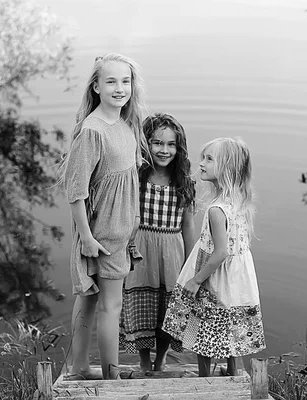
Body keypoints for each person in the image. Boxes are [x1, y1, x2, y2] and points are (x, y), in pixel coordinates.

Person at [57, 53, 148, 380]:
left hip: (119, 233)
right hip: (103, 236)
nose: (119, 88)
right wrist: (87, 238)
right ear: (96, 86)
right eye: (110, 81)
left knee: (91, 301)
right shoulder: (93, 131)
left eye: (125, 81)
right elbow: (76, 190)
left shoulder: (123, 124)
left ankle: (80, 367)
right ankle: (113, 379)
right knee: (112, 307)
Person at [162, 137, 266, 377]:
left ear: (227, 169)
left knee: (204, 326)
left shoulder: (216, 210)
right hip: (237, 281)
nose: (201, 164)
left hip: (214, 277)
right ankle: (232, 372)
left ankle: (204, 378)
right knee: (230, 325)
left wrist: (196, 279)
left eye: (209, 159)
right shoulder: (240, 201)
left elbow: (220, 252)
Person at [119, 113, 196, 372]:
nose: (164, 150)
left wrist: (190, 263)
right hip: (141, 251)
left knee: (167, 309)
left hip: (171, 253)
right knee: (142, 307)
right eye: (157, 143)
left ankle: (161, 357)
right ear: (145, 144)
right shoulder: (136, 178)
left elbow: (187, 226)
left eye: (171, 144)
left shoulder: (184, 182)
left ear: (179, 147)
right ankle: (143, 359)